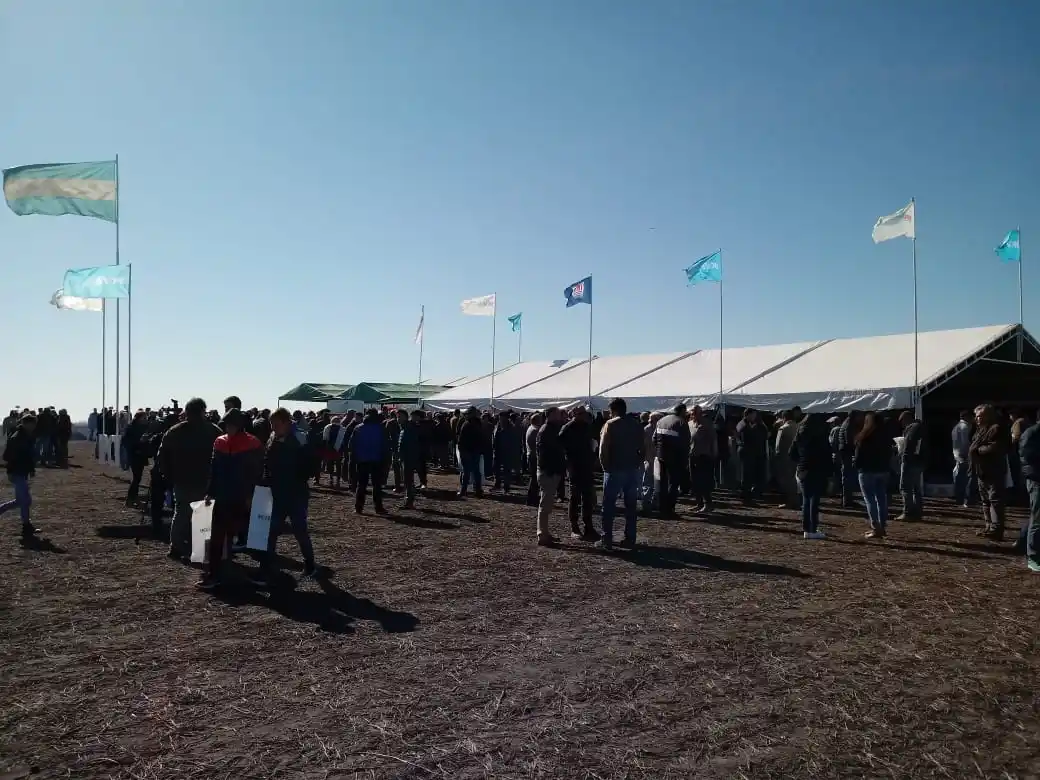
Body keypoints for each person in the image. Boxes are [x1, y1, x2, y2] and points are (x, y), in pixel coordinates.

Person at [201, 409, 263, 590]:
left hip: (242, 497)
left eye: (232, 425)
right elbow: (214, 470)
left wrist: (251, 495)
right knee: (217, 536)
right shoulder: (220, 442)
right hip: (223, 497)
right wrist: (210, 491)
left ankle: (261, 574)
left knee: (251, 537)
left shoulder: (252, 443)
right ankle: (214, 574)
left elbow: (256, 472)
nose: (229, 428)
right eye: (227, 425)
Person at [257, 407, 318, 582]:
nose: (273, 428)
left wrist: (296, 478)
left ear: (286, 422)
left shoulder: (300, 439)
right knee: (271, 531)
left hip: (295, 493)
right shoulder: (273, 438)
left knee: (299, 529)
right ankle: (266, 567)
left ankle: (310, 564)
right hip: (277, 493)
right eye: (272, 424)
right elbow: (267, 463)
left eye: (276, 424)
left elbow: (311, 465)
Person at [158, 398, 222, 561]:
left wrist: (168, 475)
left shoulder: (175, 431)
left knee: (181, 513)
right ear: (203, 411)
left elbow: (162, 456)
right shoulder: (213, 431)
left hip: (182, 480)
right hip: (205, 481)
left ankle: (176, 547)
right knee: (202, 515)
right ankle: (199, 550)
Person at [597, 398, 645, 551]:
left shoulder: (610, 424)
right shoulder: (636, 424)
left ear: (614, 410)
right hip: (632, 468)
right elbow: (643, 447)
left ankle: (606, 539)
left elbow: (603, 449)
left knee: (608, 505)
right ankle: (630, 538)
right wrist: (638, 463)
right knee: (631, 506)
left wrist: (605, 467)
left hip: (614, 469)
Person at [790, 414, 832, 540]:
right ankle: (812, 529)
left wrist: (801, 461)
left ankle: (807, 529)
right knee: (814, 501)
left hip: (803, 469)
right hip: (817, 469)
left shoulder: (800, 431)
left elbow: (791, 452)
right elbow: (826, 453)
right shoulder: (820, 433)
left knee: (806, 500)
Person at [969, 404, 1007, 541]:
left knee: (995, 500)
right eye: (976, 416)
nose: (977, 419)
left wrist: (978, 450)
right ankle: (989, 526)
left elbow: (995, 447)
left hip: (993, 469)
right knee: (985, 501)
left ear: (988, 416)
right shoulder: (980, 430)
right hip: (981, 470)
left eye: (980, 416)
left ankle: (996, 529)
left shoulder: (996, 429)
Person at [854, 411, 894, 540]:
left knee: (870, 499)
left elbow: (858, 456)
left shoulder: (864, 436)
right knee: (881, 499)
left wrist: (857, 466)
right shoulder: (886, 436)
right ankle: (882, 525)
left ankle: (876, 527)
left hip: (867, 470)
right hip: (883, 470)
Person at [560, 407, 598, 540]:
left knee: (587, 498)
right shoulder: (567, 428)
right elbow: (561, 445)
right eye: (581, 414)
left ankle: (588, 526)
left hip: (586, 466)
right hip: (574, 467)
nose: (584, 416)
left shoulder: (587, 427)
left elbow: (591, 442)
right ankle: (574, 527)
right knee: (575, 497)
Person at [0, 413, 38, 537]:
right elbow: (9, 456)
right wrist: (11, 471)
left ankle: (26, 525)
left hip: (21, 471)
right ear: (26, 424)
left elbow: (28, 456)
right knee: (24, 501)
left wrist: (31, 469)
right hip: (17, 472)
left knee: (21, 501)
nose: (34, 426)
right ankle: (26, 526)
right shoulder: (18, 437)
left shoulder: (25, 436)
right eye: (32, 424)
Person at [535, 407, 567, 546]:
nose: (560, 416)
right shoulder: (546, 430)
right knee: (545, 504)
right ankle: (542, 534)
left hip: (550, 470)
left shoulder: (550, 429)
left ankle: (544, 532)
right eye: (557, 414)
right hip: (548, 471)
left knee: (547, 504)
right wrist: (550, 470)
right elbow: (547, 453)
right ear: (551, 415)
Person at [652, 404, 690, 517]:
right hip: (675, 458)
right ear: (682, 411)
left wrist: (659, 450)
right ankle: (669, 509)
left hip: (661, 456)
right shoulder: (681, 422)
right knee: (673, 483)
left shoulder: (661, 420)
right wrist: (684, 459)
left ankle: (661, 507)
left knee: (661, 482)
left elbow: (654, 439)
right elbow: (685, 443)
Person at [350, 408, 388, 514]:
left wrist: (354, 458)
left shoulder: (358, 428)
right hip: (377, 460)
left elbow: (352, 444)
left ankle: (358, 507)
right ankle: (378, 508)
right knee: (377, 485)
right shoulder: (381, 428)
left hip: (362, 460)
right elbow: (385, 445)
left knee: (361, 484)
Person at [1017, 410, 1040, 573]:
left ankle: (1022, 542)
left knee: (1035, 515)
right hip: (1036, 479)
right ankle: (1033, 556)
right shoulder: (1032, 433)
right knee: (1037, 518)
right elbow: (1026, 456)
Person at [896, 410, 926, 521]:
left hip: (910, 461)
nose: (902, 424)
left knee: (905, 487)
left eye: (902, 421)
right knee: (916, 488)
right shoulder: (921, 427)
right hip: (919, 461)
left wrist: (903, 456)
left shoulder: (912, 428)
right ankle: (918, 511)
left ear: (906, 419)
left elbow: (909, 445)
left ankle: (908, 512)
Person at [687, 406, 717, 513]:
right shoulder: (689, 424)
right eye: (692, 413)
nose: (694, 415)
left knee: (704, 481)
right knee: (694, 481)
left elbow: (714, 439)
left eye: (696, 413)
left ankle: (707, 503)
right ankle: (698, 503)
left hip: (704, 456)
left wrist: (714, 453)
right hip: (692, 455)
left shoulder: (707, 424)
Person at [456, 407, 484, 498]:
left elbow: (461, 438)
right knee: (476, 471)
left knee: (466, 471)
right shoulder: (479, 424)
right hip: (475, 450)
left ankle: (463, 490)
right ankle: (478, 490)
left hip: (467, 450)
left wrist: (460, 449)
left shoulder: (467, 424)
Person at [398, 409, 423, 509]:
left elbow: (409, 445)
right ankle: (408, 500)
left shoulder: (408, 428)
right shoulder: (406, 427)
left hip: (409, 458)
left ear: (405, 417)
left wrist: (403, 456)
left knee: (408, 480)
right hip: (408, 457)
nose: (398, 419)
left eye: (399, 417)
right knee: (407, 480)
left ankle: (409, 501)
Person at [951, 410, 974, 507]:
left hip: (957, 454)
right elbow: (965, 442)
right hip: (964, 455)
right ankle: (966, 499)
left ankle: (958, 498)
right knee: (967, 478)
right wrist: (969, 454)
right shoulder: (965, 427)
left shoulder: (956, 427)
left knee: (959, 477)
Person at [525, 412, 544, 506]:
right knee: (534, 479)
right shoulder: (535, 430)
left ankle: (532, 498)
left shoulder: (531, 428)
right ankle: (531, 498)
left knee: (533, 478)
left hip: (531, 455)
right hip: (534, 457)